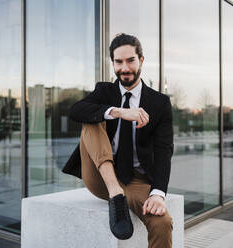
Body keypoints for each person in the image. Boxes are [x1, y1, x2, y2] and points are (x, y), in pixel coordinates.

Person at [63, 33, 174, 248]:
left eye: (130, 60)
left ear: (141, 60)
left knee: (163, 223)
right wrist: (119, 112)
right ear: (112, 63)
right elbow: (75, 111)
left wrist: (158, 194)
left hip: (136, 181)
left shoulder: (160, 103)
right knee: (92, 118)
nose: (125, 68)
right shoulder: (104, 91)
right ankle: (115, 194)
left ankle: (122, 194)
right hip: (101, 176)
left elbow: (163, 150)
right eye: (118, 62)